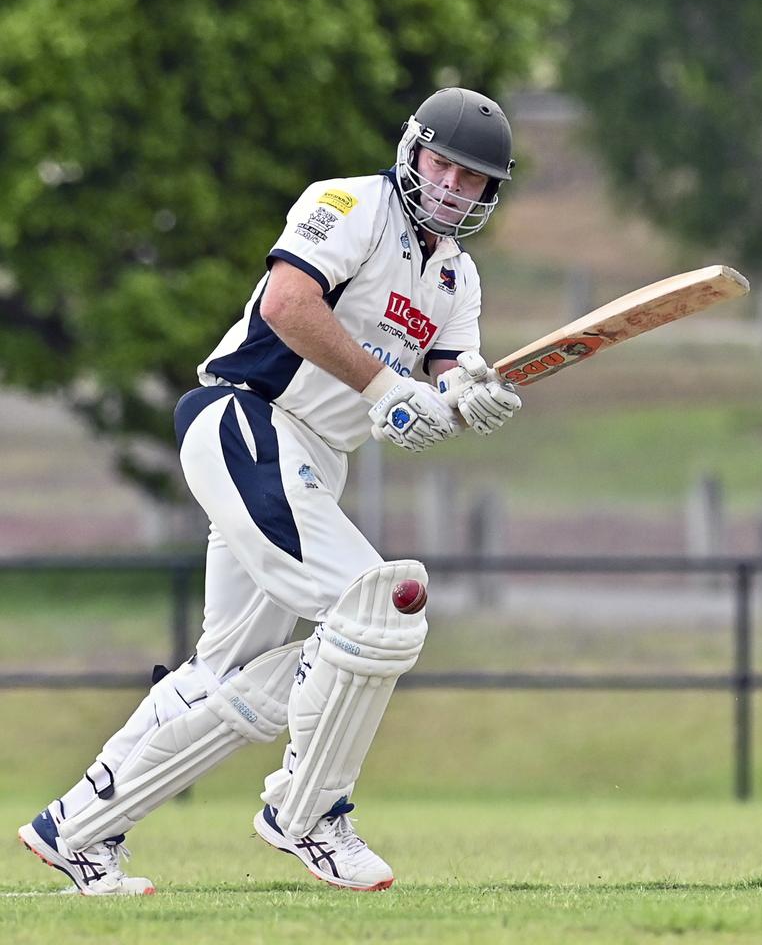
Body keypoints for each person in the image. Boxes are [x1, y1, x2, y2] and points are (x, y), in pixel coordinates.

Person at [18, 86, 522, 895]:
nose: (454, 188)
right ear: (413, 150)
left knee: (222, 676)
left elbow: (446, 370)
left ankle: (75, 830)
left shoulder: (458, 280)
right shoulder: (350, 204)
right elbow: (290, 306)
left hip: (314, 461)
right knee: (380, 607)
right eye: (444, 165)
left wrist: (471, 390)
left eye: (474, 181)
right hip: (246, 419)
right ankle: (309, 811)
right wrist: (383, 390)